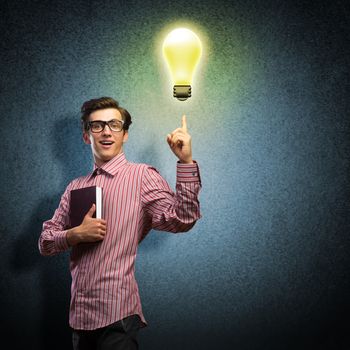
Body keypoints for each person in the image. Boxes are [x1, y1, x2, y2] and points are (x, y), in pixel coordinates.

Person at [38, 97, 201, 350]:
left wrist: (186, 162)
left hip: (118, 316)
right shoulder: (75, 187)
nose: (106, 131)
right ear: (86, 136)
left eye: (114, 125)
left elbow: (183, 220)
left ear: (124, 134)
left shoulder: (142, 176)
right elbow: (45, 242)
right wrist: (73, 235)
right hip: (79, 318)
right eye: (97, 126)